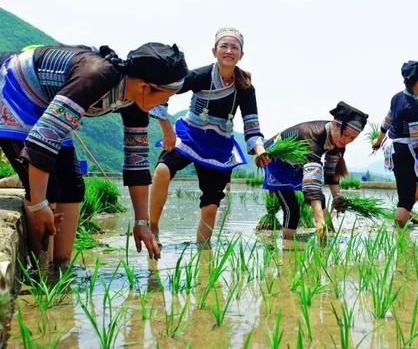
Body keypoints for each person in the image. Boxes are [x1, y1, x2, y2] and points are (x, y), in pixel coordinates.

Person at [0, 42, 188, 267]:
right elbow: (42, 141)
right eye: (166, 97)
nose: (165, 105)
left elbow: (136, 162)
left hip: (50, 104)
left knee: (73, 187)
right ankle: (42, 272)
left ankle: (61, 266)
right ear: (146, 87)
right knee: (48, 191)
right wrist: (39, 204)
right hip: (18, 90)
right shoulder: (94, 77)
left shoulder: (135, 102)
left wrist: (141, 222)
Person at [149, 28, 268, 246]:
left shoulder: (245, 88)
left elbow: (251, 124)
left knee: (211, 206)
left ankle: (203, 256)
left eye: (235, 47)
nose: (229, 51)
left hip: (219, 145)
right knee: (162, 171)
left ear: (241, 54)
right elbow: (163, 91)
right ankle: (153, 227)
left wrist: (260, 150)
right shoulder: (200, 76)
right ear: (214, 51)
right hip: (190, 135)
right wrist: (166, 128)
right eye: (224, 46)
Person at [262, 101, 368, 240]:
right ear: (335, 124)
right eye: (346, 135)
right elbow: (312, 184)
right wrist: (319, 220)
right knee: (292, 210)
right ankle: (288, 251)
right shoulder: (312, 137)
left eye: (352, 138)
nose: (347, 140)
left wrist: (337, 196)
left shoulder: (338, 141)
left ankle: (329, 239)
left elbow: (331, 170)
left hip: (299, 162)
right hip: (277, 161)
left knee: (321, 200)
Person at [371, 61, 418, 227]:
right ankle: (400, 236)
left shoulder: (398, 97)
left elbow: (387, 120)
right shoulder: (413, 107)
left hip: (398, 149)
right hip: (404, 151)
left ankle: (405, 211)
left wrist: (378, 140)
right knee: (405, 199)